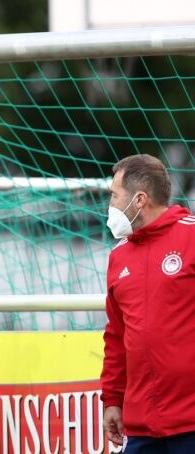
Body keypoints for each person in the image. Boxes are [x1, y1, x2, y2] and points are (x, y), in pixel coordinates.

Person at [101, 154, 195, 453]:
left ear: (139, 199)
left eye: (115, 196)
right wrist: (112, 400)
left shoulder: (192, 237)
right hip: (141, 425)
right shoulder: (118, 256)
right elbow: (116, 336)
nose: (110, 205)